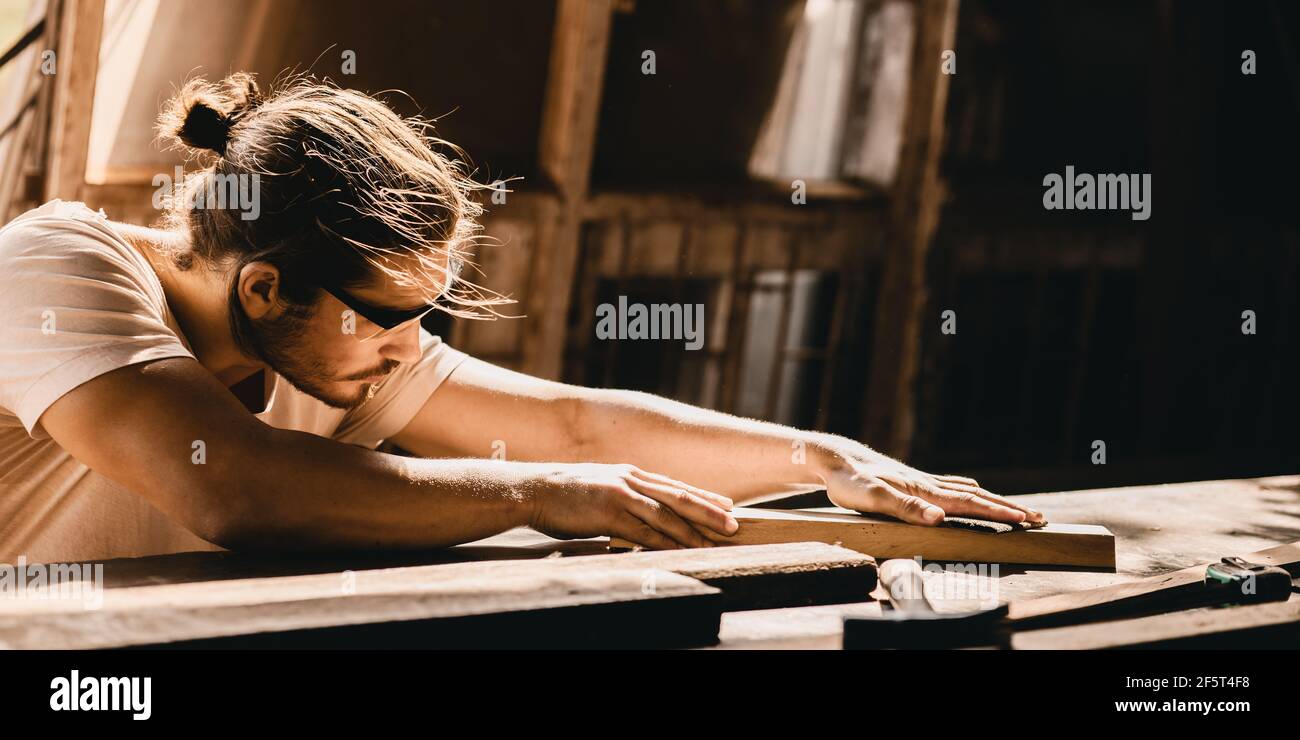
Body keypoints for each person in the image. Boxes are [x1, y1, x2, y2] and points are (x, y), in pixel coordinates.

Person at [0, 73, 1042, 564]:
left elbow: (577, 427)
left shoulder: (341, 344)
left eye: (427, 313)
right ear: (265, 288)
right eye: (386, 318)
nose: (411, 347)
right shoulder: (55, 266)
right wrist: (537, 492)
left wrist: (821, 455)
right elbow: (234, 486)